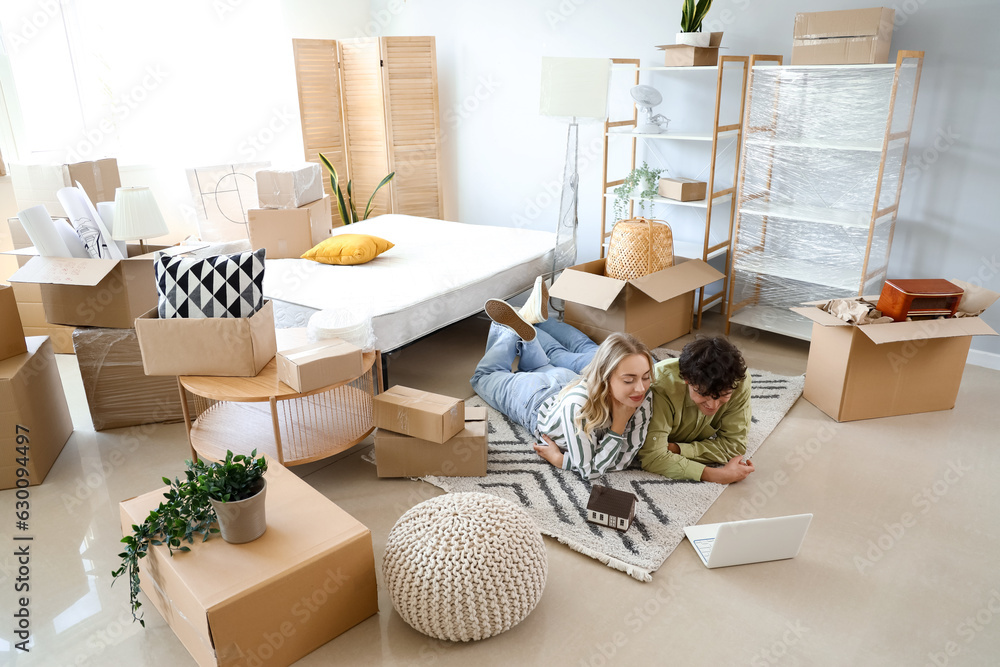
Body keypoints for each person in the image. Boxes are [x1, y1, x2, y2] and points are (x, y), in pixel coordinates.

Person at [470, 278, 654, 481]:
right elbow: (590, 470)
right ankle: (512, 328)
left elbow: (625, 459)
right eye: (628, 380)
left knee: (538, 366)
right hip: (535, 399)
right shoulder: (578, 408)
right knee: (483, 377)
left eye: (645, 377)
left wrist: (563, 460)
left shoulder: (643, 396)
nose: (640, 388)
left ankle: (529, 334)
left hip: (566, 382)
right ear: (604, 377)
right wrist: (619, 425)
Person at [638, 336, 755, 484]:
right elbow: (653, 456)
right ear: (687, 379)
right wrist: (716, 475)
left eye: (724, 395)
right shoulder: (659, 387)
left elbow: (735, 445)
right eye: (703, 394)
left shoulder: (739, 382)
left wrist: (677, 449)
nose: (713, 405)